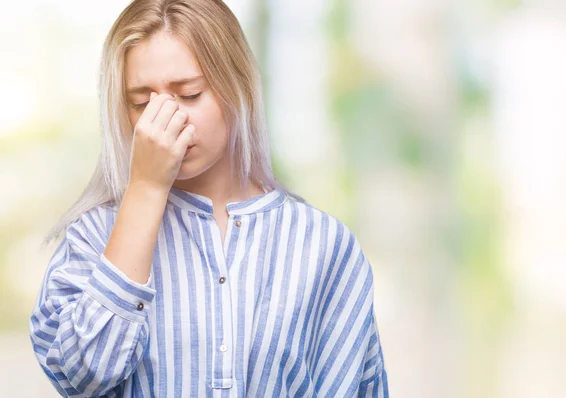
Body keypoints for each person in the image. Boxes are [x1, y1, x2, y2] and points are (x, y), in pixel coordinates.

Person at [28, 0, 389, 396]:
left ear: (237, 86)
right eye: (141, 103)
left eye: (190, 93)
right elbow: (84, 377)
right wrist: (146, 189)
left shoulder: (323, 246)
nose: (165, 120)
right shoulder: (93, 239)